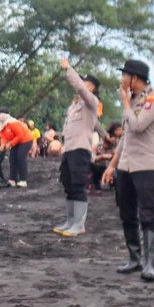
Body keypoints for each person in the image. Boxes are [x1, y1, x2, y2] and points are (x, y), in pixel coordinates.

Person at [101, 59, 154, 281]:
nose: (121, 80)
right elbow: (126, 137)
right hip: (126, 165)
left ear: (135, 78)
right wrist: (112, 165)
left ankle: (149, 264)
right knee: (126, 212)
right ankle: (135, 258)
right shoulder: (132, 101)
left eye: (124, 75)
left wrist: (126, 103)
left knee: (148, 214)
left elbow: (138, 126)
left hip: (146, 165)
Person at [53, 60, 102, 236]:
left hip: (81, 150)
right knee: (68, 184)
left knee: (79, 185)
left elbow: (80, 88)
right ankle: (70, 221)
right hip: (69, 150)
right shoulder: (74, 106)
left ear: (92, 87)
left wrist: (68, 69)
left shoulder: (92, 102)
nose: (81, 84)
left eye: (85, 82)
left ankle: (79, 224)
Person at [0, 115, 34, 188]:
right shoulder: (2, 126)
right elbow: (3, 137)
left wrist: (10, 144)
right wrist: (2, 145)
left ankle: (23, 180)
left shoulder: (13, 123)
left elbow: (20, 135)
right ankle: (12, 179)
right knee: (12, 159)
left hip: (25, 140)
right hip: (15, 142)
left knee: (21, 158)